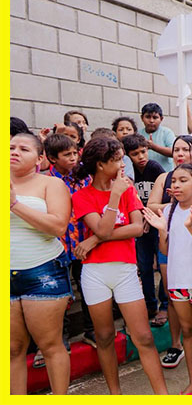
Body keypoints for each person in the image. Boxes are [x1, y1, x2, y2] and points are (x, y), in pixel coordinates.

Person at [71, 137, 168, 394]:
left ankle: (163, 395)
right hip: (95, 272)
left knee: (143, 336)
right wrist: (113, 198)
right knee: (104, 337)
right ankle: (115, 395)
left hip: (125, 270)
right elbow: (103, 228)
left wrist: (93, 240)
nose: (123, 164)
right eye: (117, 160)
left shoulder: (128, 190)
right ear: (101, 165)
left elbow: (137, 228)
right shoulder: (82, 196)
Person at [143, 164, 192, 395]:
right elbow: (165, 249)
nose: (176, 185)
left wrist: (191, 226)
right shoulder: (169, 211)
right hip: (178, 281)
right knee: (187, 331)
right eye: (174, 181)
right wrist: (161, 231)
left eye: (183, 180)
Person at [10, 133, 72, 395]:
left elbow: (57, 226)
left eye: (23, 149)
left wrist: (14, 204)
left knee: (49, 345)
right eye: (10, 147)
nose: (14, 152)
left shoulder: (51, 184)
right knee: (12, 349)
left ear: (40, 158)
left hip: (43, 272)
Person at [147, 135, 192, 368]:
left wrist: (181, 204)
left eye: (184, 149)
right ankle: (176, 345)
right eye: (176, 149)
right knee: (172, 294)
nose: (179, 153)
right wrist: (177, 204)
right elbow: (150, 206)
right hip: (168, 240)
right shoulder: (164, 177)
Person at [43, 134, 94, 352]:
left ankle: (91, 330)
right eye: (67, 155)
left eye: (75, 153)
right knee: (60, 294)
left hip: (84, 242)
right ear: (52, 158)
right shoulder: (45, 182)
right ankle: (60, 338)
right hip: (57, 246)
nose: (73, 158)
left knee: (88, 288)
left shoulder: (84, 178)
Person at [122, 134, 165, 319]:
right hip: (139, 224)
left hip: (156, 222)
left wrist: (150, 217)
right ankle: (149, 305)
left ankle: (165, 305)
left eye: (143, 151)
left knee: (163, 265)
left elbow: (164, 195)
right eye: (135, 154)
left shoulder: (154, 168)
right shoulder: (128, 172)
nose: (141, 157)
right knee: (145, 266)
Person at [139, 102, 176, 172]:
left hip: (165, 174)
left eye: (155, 117)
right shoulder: (138, 134)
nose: (151, 121)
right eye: (148, 117)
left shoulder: (167, 133)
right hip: (145, 175)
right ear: (142, 118)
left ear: (161, 119)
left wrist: (154, 147)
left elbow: (174, 152)